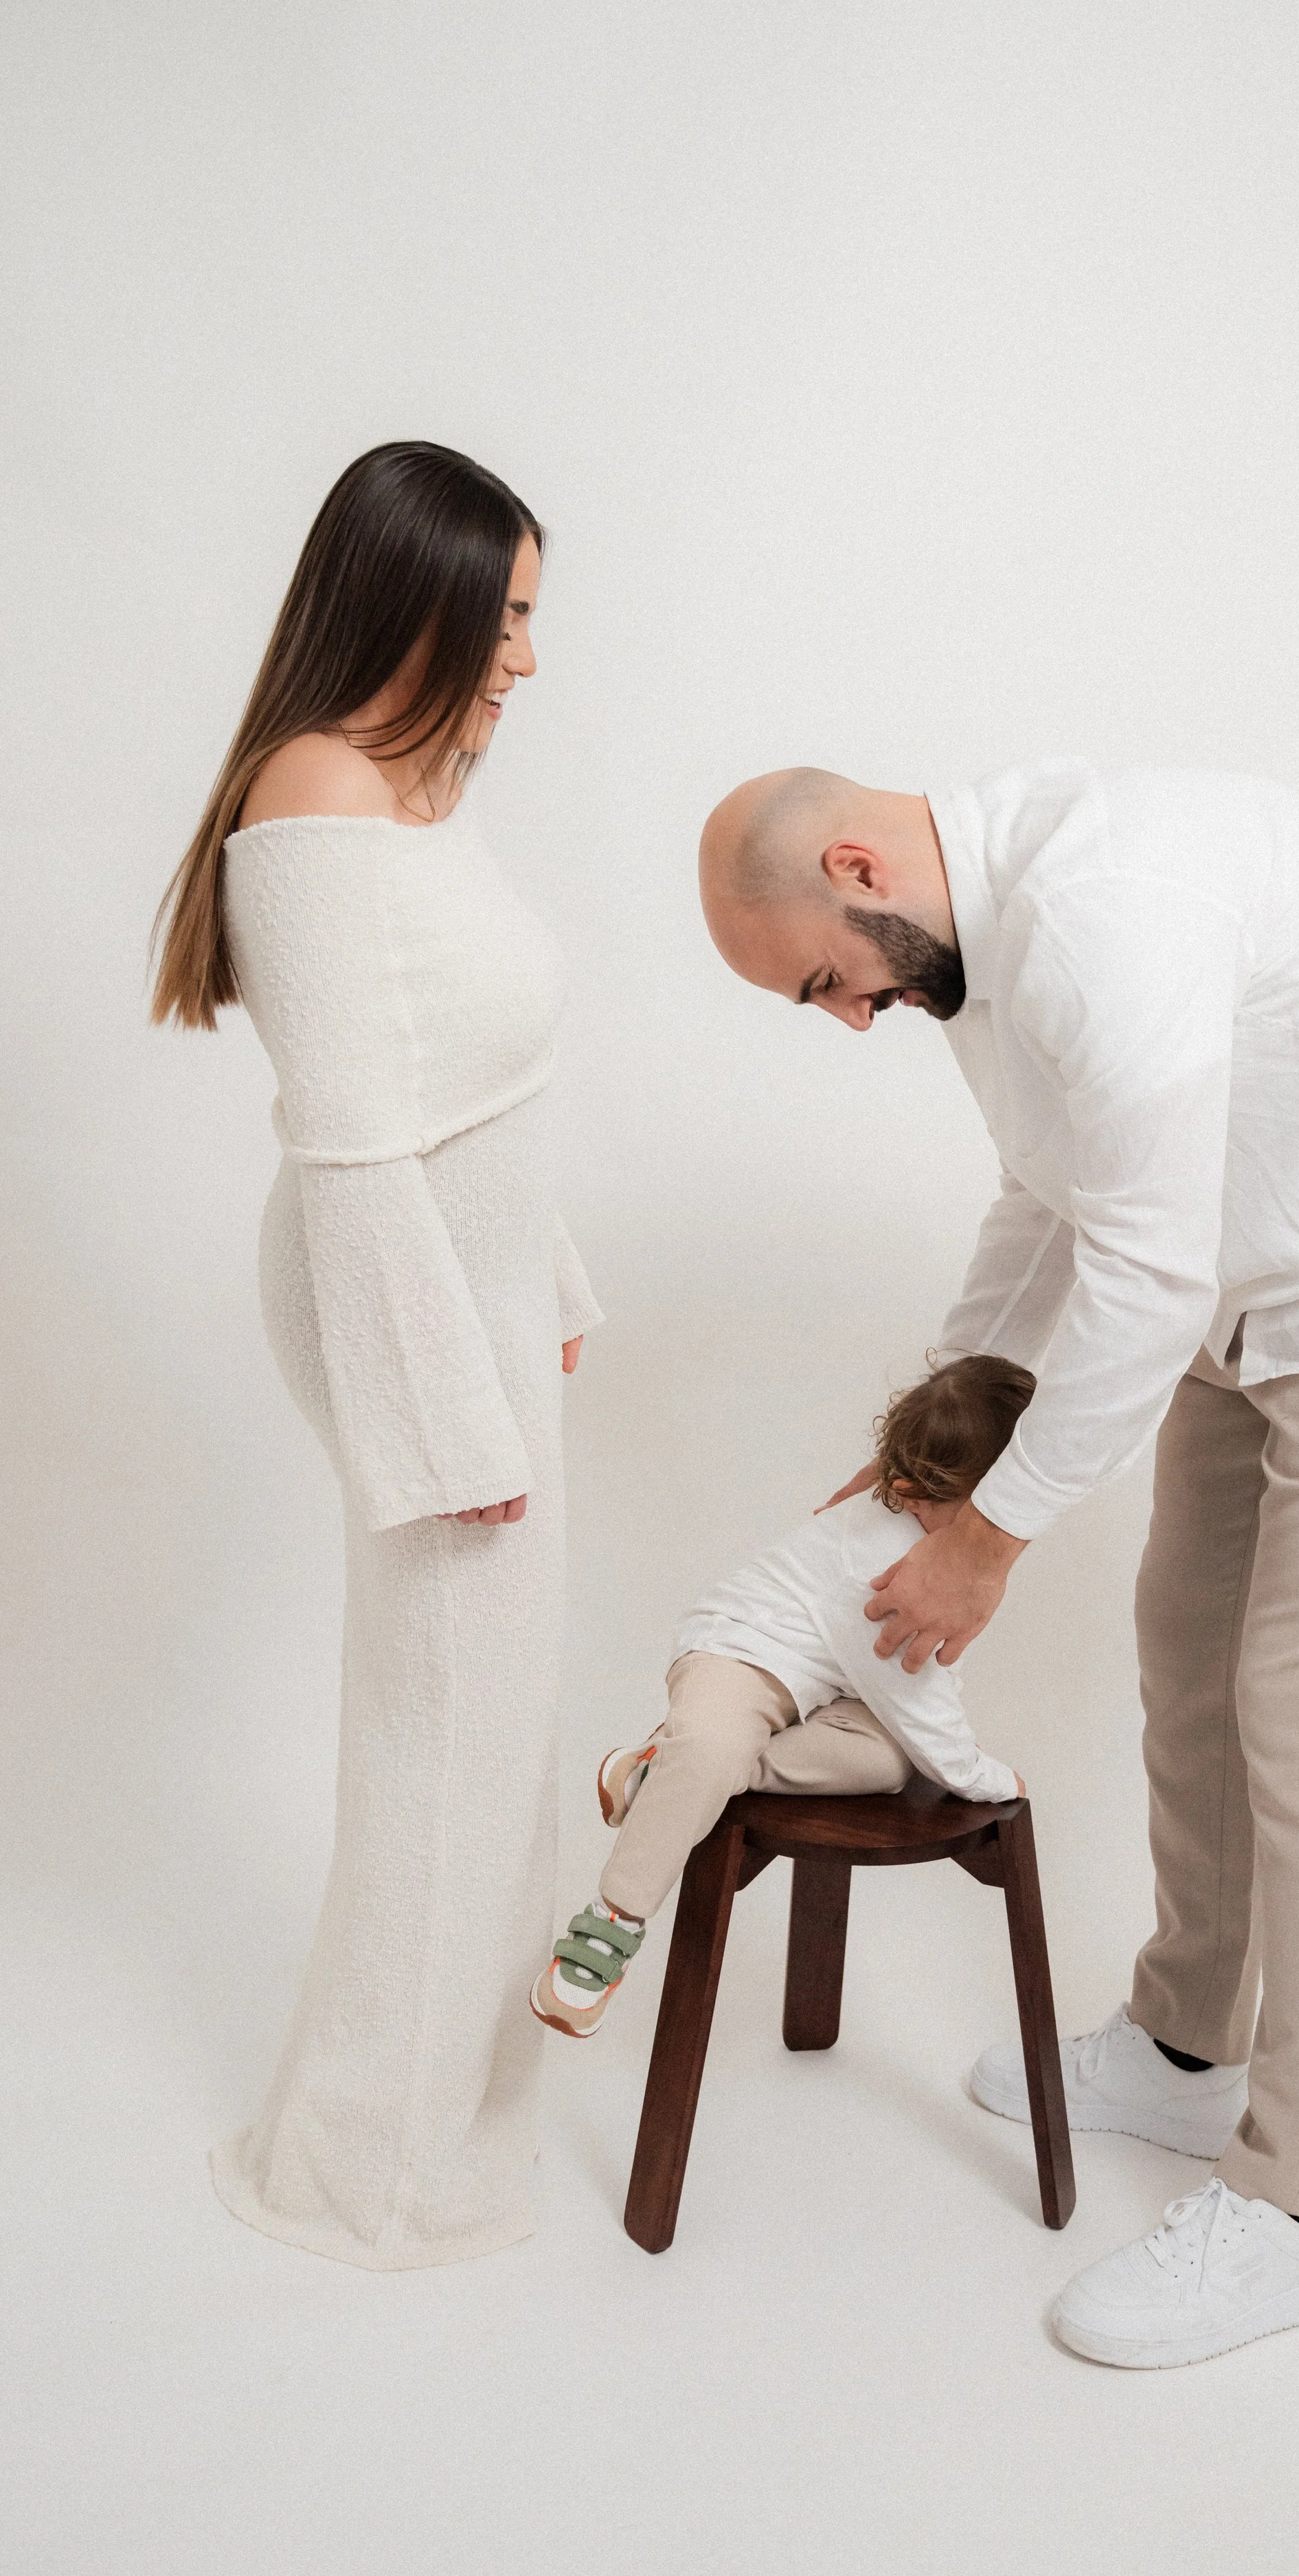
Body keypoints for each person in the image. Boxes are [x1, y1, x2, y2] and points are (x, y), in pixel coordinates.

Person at [697, 760, 1299, 2366]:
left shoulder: (1106, 914)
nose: (845, 1019)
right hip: (1259, 1279)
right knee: (1187, 1649)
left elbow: (1143, 1267)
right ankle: (1189, 2049)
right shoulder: (970, 955)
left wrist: (985, 1538)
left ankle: (1296, 2210)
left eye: (829, 980)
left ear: (856, 862)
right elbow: (1049, 1207)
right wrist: (936, 1441)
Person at [151, 442, 602, 2269]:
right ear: (404, 595)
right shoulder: (319, 787)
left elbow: (471, 1071)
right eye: (504, 615)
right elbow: (352, 1135)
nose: (525, 657)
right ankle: (352, 2164)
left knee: (491, 1716)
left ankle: (433, 2095)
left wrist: (544, 1286)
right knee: (437, 1729)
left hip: (473, 1305)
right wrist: (437, 1413)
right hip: (401, 1310)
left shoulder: (416, 783)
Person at [530, 1355, 1028, 2038]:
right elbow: (918, 1701)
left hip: (830, 1686)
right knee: (713, 1741)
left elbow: (921, 1683)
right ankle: (612, 1921)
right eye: (915, 1489)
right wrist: (982, 1776)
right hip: (742, 1653)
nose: (914, 1504)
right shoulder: (884, 1561)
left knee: (885, 1764)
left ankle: (660, 1774)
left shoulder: (940, 1542)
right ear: (908, 1484)